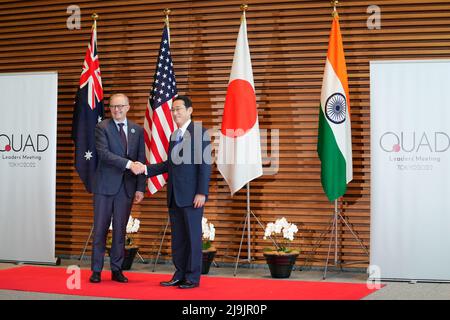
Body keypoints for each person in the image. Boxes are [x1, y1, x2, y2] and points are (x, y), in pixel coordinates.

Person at [133, 95, 212, 289]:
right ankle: (179, 274)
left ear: (189, 111)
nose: (175, 113)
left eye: (179, 109)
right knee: (178, 239)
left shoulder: (200, 132)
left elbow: (205, 165)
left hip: (193, 196)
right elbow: (170, 165)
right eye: (173, 110)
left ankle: (192, 278)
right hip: (175, 196)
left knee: (193, 238)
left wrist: (202, 192)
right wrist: (145, 169)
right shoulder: (174, 135)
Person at [89, 93, 146, 283]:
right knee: (100, 230)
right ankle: (96, 270)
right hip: (104, 187)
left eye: (121, 106)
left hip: (126, 189)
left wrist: (140, 188)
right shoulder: (102, 127)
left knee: (120, 231)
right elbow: (104, 154)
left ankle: (117, 269)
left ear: (128, 107)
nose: (117, 109)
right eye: (113, 106)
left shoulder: (137, 130)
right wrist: (129, 165)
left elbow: (141, 159)